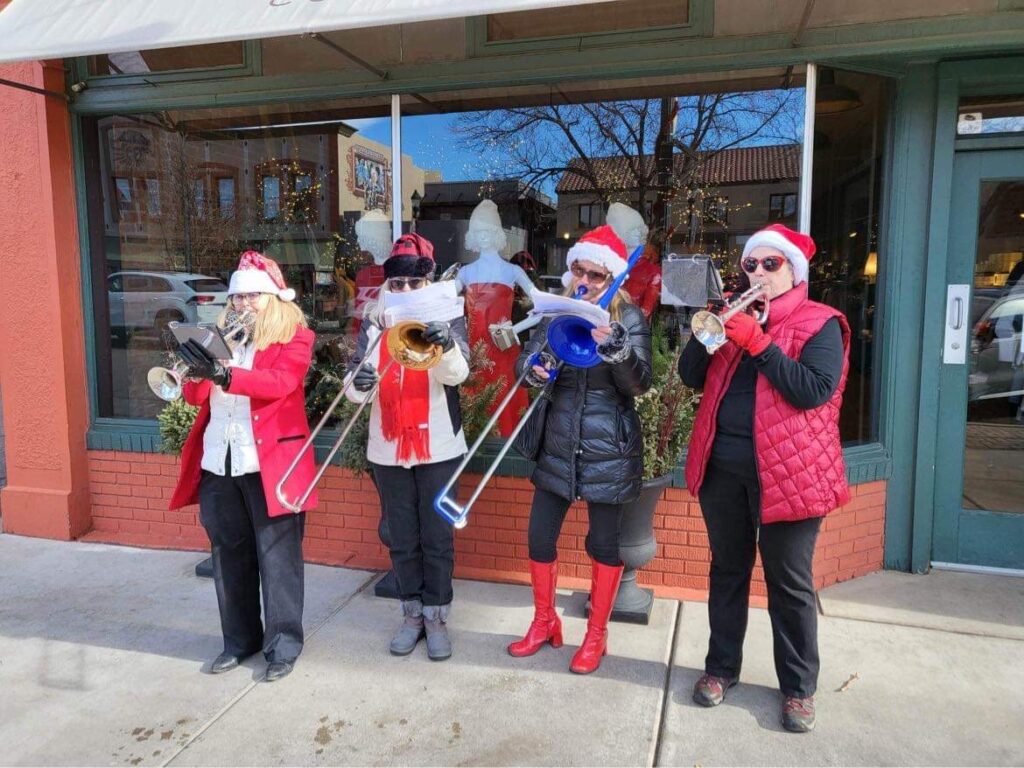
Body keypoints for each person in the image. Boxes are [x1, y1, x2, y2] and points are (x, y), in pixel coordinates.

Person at [679, 224, 850, 733]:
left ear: (793, 271)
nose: (757, 272)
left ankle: (798, 689)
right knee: (727, 571)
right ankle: (720, 668)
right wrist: (710, 332)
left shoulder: (821, 323)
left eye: (769, 264)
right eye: (750, 264)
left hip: (792, 474)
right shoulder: (736, 317)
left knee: (789, 584)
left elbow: (813, 390)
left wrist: (758, 343)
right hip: (724, 469)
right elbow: (690, 376)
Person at [169, 250, 317, 683]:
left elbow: (281, 383)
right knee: (229, 557)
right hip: (221, 461)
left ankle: (283, 646)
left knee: (278, 562)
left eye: (253, 296)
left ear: (273, 298)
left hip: (271, 465)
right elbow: (193, 398)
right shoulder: (221, 338)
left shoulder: (296, 337)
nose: (243, 304)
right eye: (237, 297)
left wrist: (225, 375)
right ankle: (239, 641)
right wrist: (197, 369)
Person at [510, 225, 652, 675]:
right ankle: (544, 622)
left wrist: (616, 347)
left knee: (604, 545)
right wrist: (535, 369)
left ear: (612, 277)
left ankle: (596, 635)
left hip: (608, 445)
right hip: (558, 441)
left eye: (595, 274)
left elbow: (640, 383)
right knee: (539, 537)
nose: (585, 280)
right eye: (579, 271)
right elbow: (525, 362)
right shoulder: (557, 311)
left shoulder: (629, 318)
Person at [346, 233, 470, 661]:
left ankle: (437, 617)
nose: (404, 290)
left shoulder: (447, 316)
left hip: (438, 445)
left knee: (437, 536)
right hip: (389, 446)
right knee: (401, 536)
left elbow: (458, 376)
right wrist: (358, 384)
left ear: (427, 283)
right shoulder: (375, 322)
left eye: (413, 283)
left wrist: (446, 345)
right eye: (396, 284)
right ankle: (412, 614)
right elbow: (355, 386)